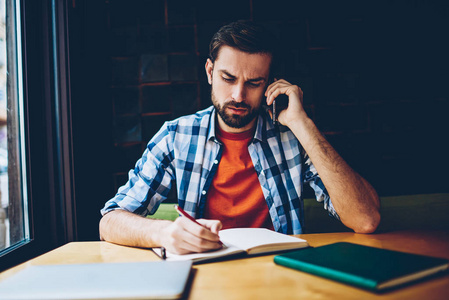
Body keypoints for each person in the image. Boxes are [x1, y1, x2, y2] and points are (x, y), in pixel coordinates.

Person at [99, 20, 380, 255]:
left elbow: (365, 220)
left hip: (282, 276)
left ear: (270, 84)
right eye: (228, 78)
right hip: (205, 277)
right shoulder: (177, 136)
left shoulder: (294, 138)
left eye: (254, 83)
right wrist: (164, 232)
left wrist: (302, 123)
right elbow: (110, 221)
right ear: (210, 72)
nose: (238, 96)